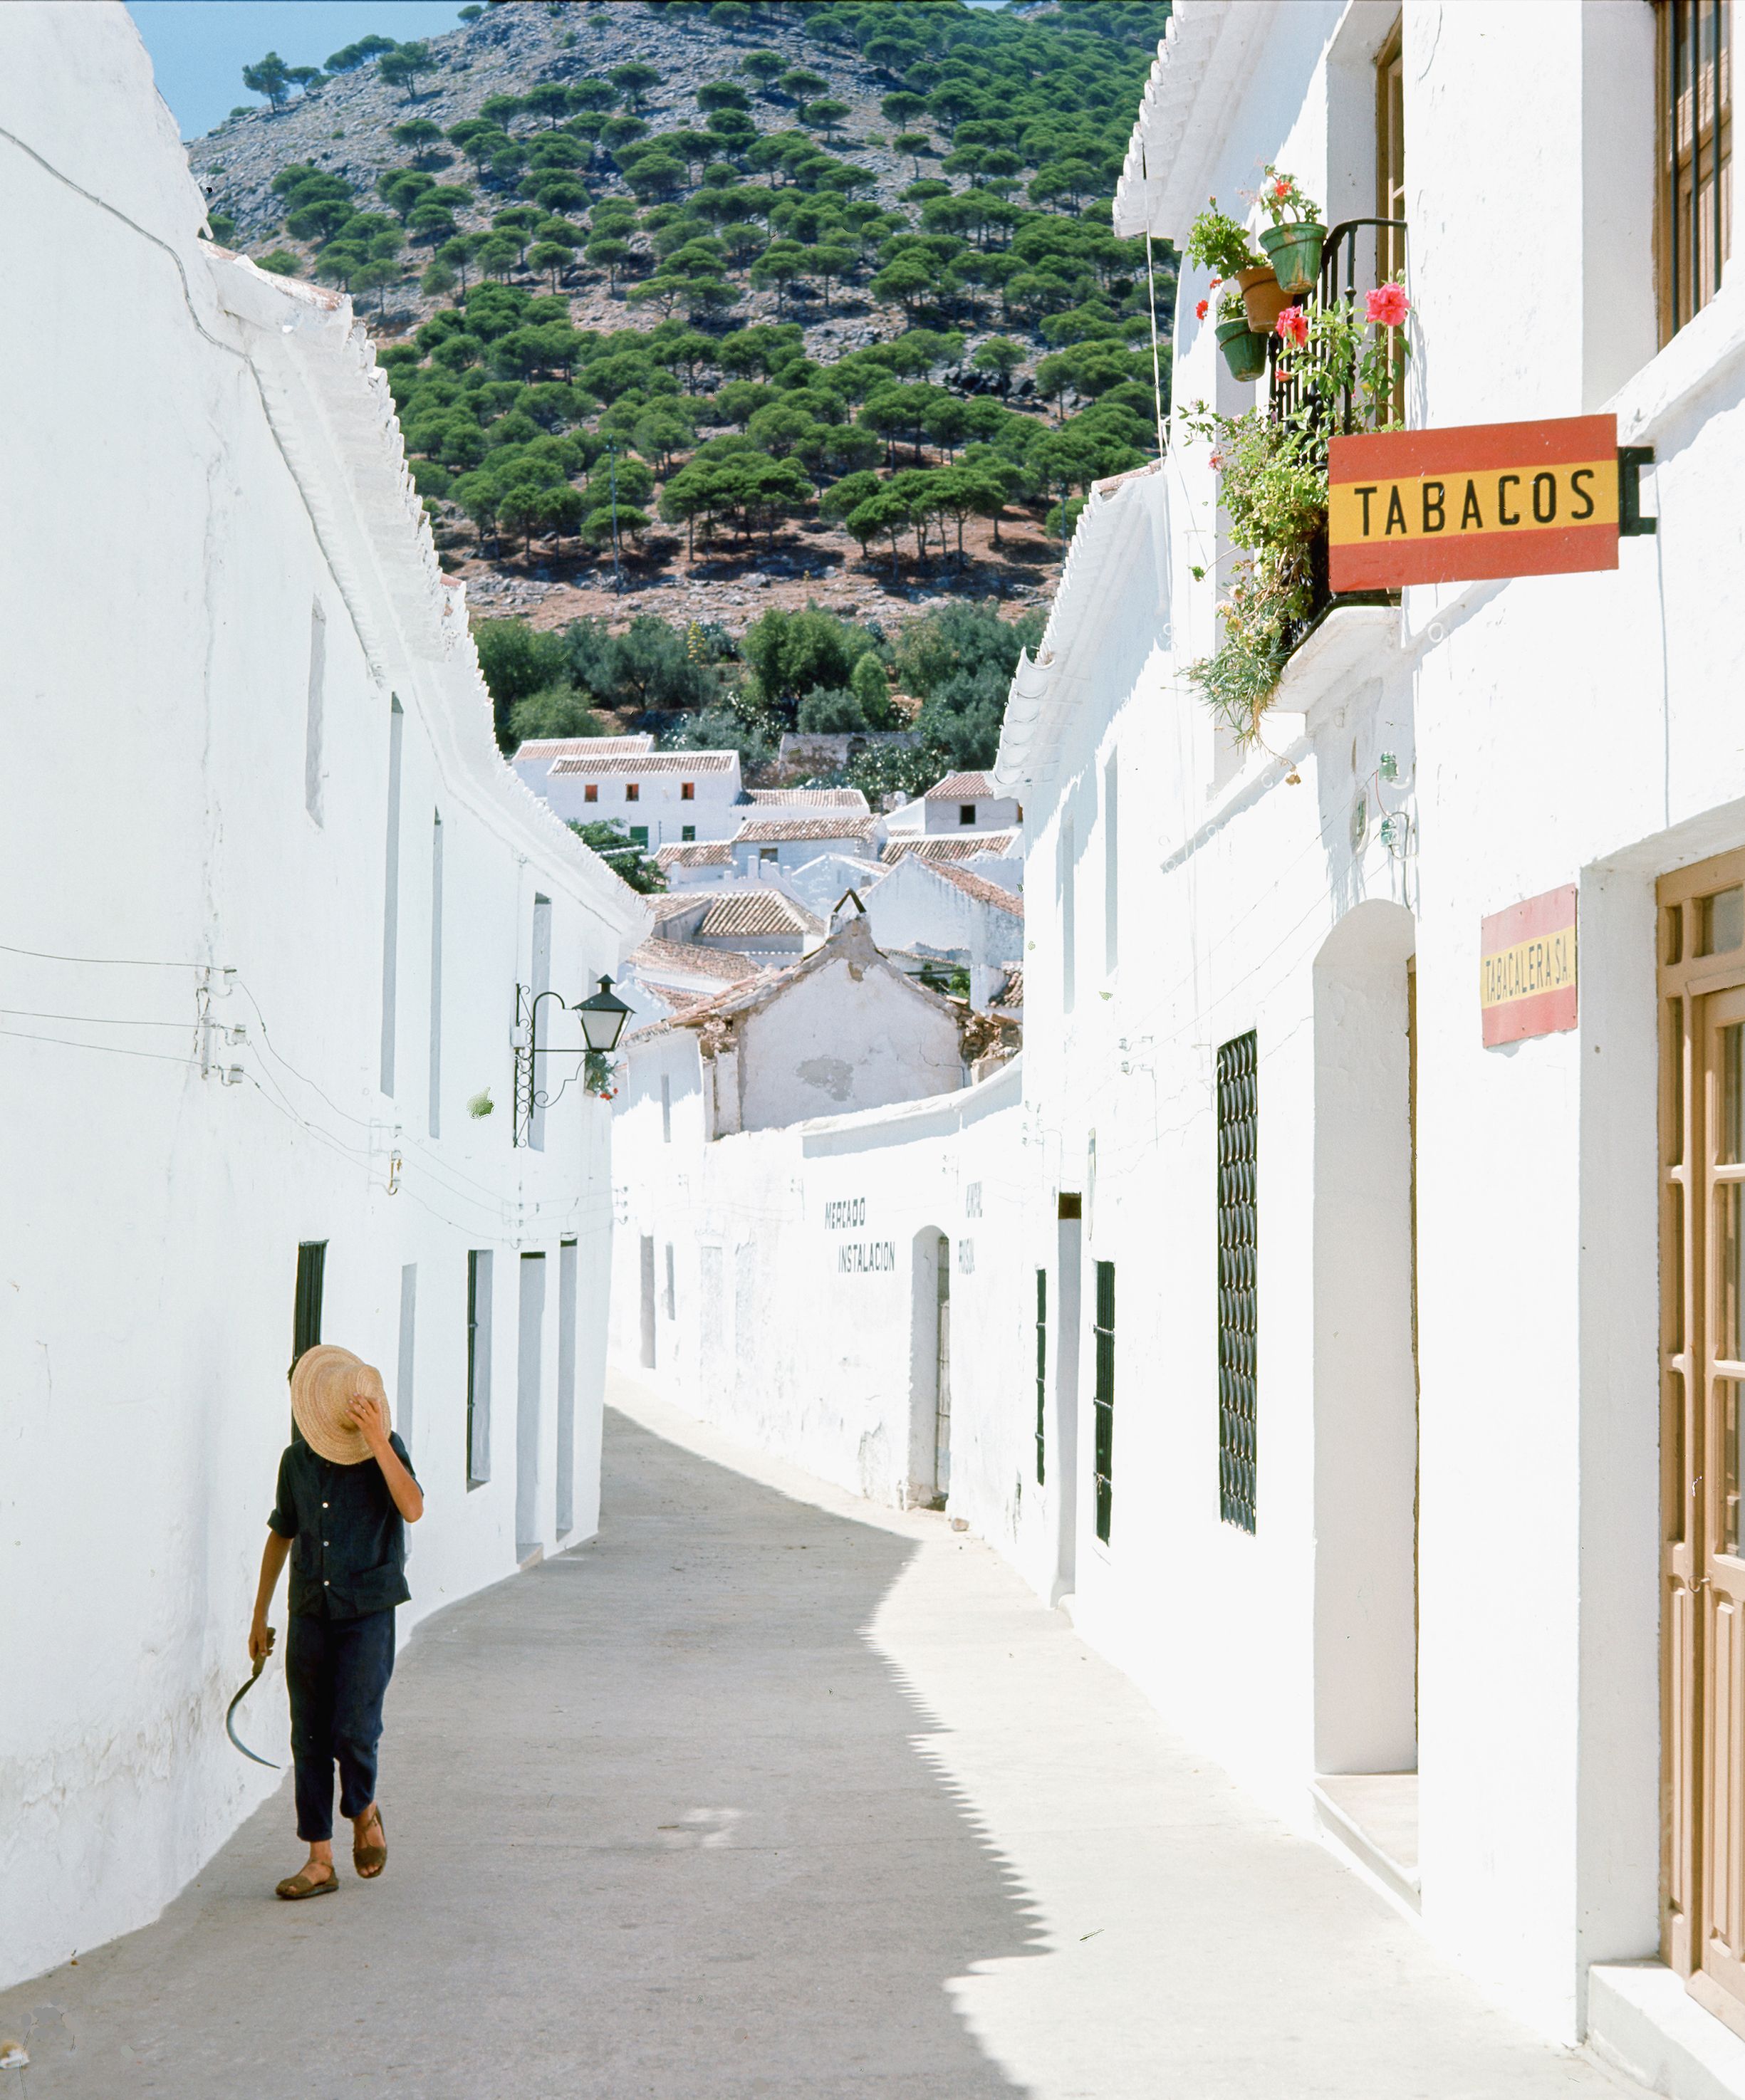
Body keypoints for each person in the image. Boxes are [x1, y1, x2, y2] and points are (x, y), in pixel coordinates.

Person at [249, 1344, 424, 1900]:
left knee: (354, 1727)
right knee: (309, 1735)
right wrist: (259, 1612)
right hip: (311, 1612)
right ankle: (319, 1858)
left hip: (367, 1612)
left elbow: (413, 1507)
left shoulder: (386, 1449)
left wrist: (377, 1441)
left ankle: (364, 1809)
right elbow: (282, 1532)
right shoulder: (295, 1461)